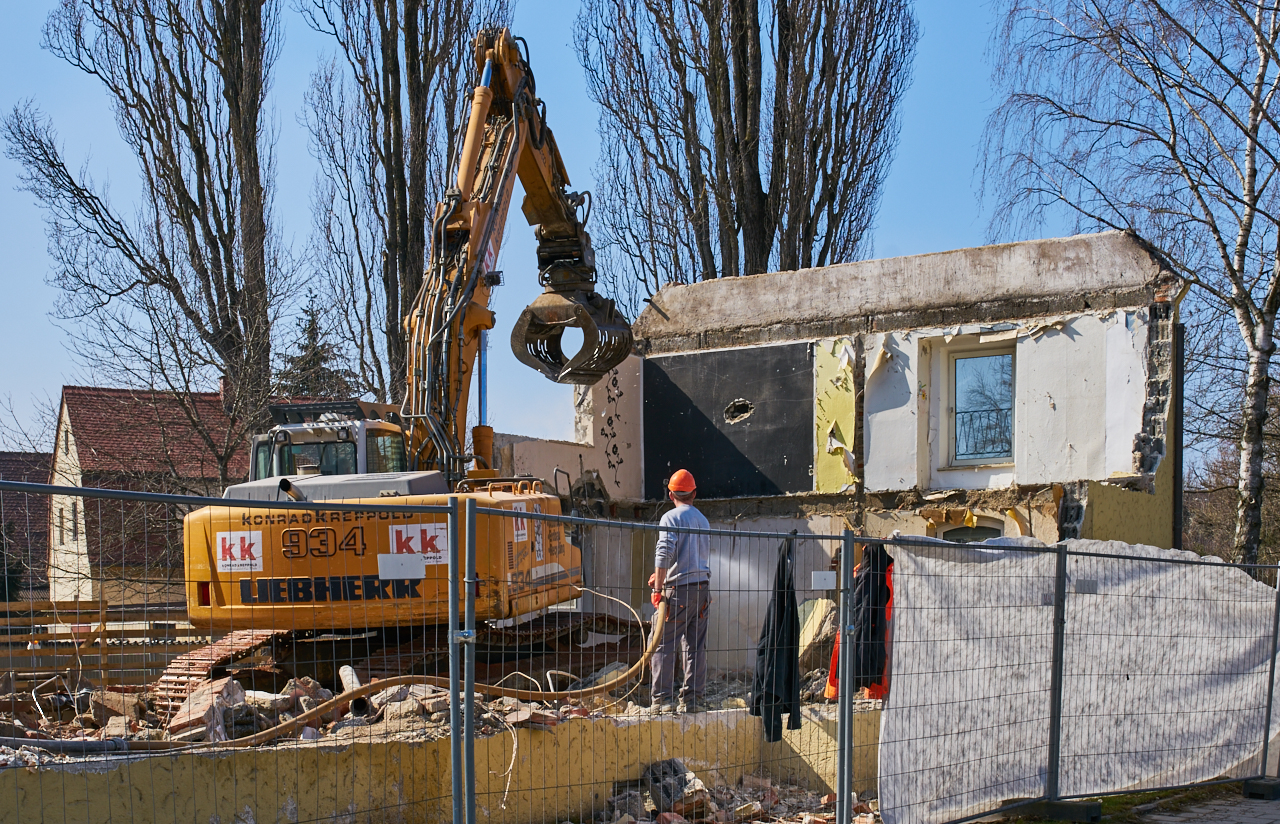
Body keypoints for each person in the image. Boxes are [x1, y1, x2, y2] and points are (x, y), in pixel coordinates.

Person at [649, 468, 712, 714]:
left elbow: (664, 553)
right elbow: (692, 557)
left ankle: (663, 701)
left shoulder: (671, 517)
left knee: (663, 643)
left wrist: (658, 587)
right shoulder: (702, 520)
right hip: (703, 590)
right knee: (695, 646)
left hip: (680, 591)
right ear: (694, 493)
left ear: (670, 493)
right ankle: (694, 699)